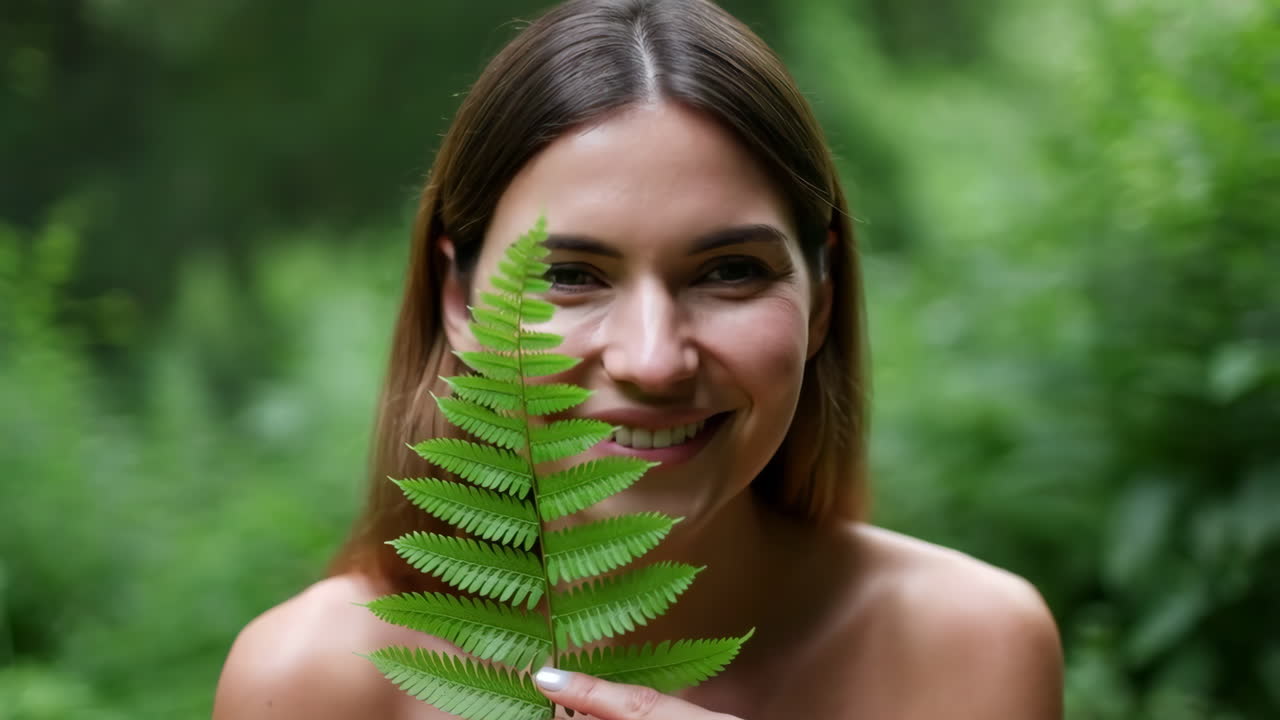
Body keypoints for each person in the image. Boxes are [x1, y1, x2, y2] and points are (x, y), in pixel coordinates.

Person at [213, 0, 1064, 717]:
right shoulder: (314, 683)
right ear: (460, 302)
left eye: (730, 272)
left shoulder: (972, 650)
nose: (653, 360)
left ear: (822, 299)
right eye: (571, 276)